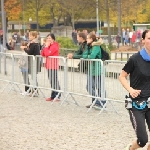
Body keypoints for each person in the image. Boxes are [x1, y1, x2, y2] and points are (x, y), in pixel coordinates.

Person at [119, 30, 150, 150]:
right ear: (143, 41)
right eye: (149, 38)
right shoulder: (135, 59)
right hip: (137, 104)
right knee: (143, 140)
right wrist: (130, 90)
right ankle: (130, 148)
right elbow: (122, 76)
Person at [82, 32, 106, 109]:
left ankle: (102, 103)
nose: (86, 40)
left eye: (88, 38)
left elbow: (92, 56)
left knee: (99, 86)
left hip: (97, 69)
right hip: (91, 69)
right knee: (89, 86)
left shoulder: (96, 46)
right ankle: (96, 101)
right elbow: (84, 55)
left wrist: (88, 56)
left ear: (91, 39)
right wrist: (88, 56)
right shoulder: (89, 46)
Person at [41, 33, 61, 102]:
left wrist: (46, 47)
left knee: (54, 81)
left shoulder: (55, 46)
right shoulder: (48, 46)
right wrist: (45, 47)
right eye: (47, 38)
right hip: (49, 65)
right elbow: (43, 54)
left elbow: (48, 54)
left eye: (49, 38)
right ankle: (53, 96)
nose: (48, 40)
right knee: (51, 81)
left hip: (53, 65)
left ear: (53, 39)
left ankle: (57, 95)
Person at [20, 31, 41, 96]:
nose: (29, 37)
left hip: (33, 62)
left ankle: (35, 91)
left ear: (34, 36)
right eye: (29, 36)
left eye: (30, 36)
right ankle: (30, 90)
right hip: (30, 62)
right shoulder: (31, 43)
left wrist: (24, 48)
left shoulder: (35, 44)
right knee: (31, 76)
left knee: (33, 77)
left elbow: (30, 52)